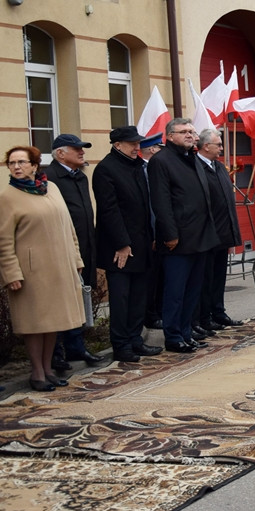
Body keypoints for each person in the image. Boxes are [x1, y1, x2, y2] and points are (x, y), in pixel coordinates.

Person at [0, 146, 86, 391]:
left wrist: (76, 259)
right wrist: (11, 273)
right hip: (30, 273)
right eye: (12, 163)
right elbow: (3, 240)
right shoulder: (7, 197)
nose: (17, 167)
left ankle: (48, 369)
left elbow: (68, 227)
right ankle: (37, 373)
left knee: (54, 323)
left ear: (35, 165)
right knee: (34, 325)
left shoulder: (52, 189)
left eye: (22, 162)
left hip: (60, 268)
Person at [148, 118, 219, 353]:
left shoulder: (192, 159)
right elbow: (161, 201)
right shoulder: (161, 161)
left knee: (193, 292)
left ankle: (186, 332)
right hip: (177, 239)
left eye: (192, 131)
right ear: (169, 136)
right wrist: (169, 234)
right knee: (175, 292)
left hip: (200, 237)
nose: (190, 135)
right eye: (184, 132)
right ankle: (174, 336)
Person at [92, 126, 161, 362]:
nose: (136, 147)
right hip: (119, 249)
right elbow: (109, 211)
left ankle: (135, 340)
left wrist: (151, 236)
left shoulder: (136, 167)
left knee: (139, 297)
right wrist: (122, 244)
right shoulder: (105, 170)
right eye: (132, 144)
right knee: (121, 300)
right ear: (117, 145)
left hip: (141, 245)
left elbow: (144, 207)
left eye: (137, 143)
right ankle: (121, 345)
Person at [47, 133, 106, 370]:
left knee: (78, 301)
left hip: (85, 247)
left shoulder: (80, 176)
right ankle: (55, 353)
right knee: (61, 304)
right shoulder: (49, 178)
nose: (82, 152)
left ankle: (76, 347)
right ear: (60, 153)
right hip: (64, 250)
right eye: (76, 149)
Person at [196, 128, 243, 332]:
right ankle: (204, 317)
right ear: (206, 146)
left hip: (223, 232)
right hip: (207, 234)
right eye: (219, 145)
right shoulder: (196, 167)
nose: (222, 148)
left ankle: (219, 312)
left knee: (219, 277)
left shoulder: (219, 167)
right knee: (205, 279)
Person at [139, 132, 165, 330]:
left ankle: (157, 311)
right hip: (150, 232)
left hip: (159, 232)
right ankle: (151, 314)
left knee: (160, 276)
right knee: (151, 278)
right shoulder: (144, 170)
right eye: (158, 147)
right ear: (151, 149)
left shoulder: (151, 169)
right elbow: (150, 205)